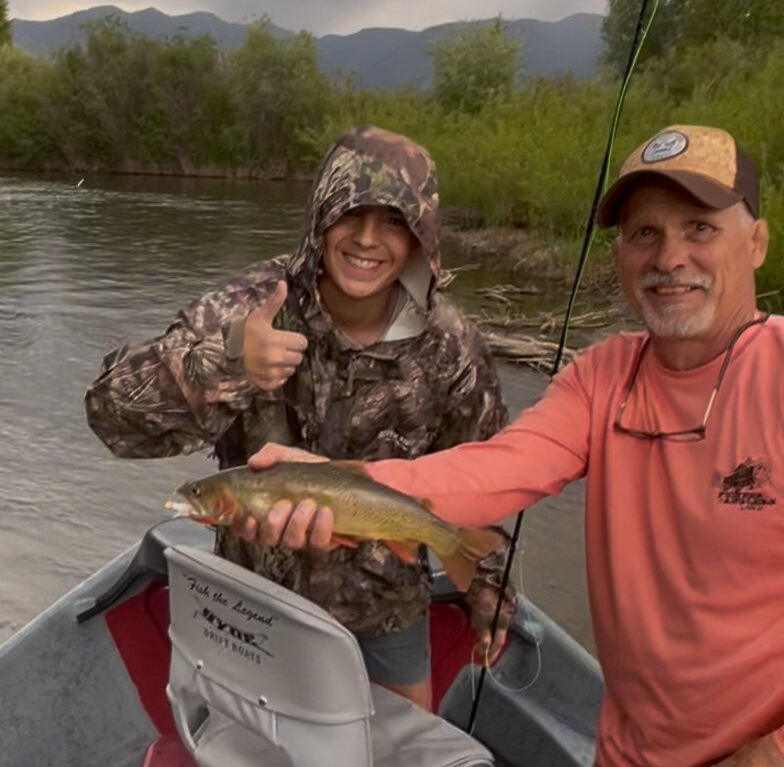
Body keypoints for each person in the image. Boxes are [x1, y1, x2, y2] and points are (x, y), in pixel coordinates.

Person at [243, 124, 784, 766]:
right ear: (619, 254)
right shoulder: (602, 375)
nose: (669, 257)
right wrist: (333, 484)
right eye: (644, 233)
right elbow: (496, 469)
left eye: (699, 228)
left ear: (756, 242)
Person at [84, 125, 516, 710]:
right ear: (320, 216)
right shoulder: (254, 307)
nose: (367, 239)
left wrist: (489, 592)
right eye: (350, 214)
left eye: (394, 221)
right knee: (256, 742)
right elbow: (111, 418)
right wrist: (228, 362)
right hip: (253, 604)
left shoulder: (452, 344)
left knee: (403, 744)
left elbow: (484, 480)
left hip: (386, 611)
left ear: (421, 235)